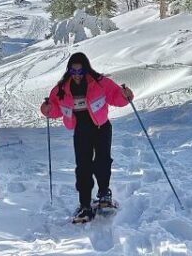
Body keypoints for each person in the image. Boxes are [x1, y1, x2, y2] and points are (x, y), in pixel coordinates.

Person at [40, 51, 134, 222]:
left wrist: (125, 96)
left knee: (102, 161)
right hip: (81, 130)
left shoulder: (99, 82)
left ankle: (104, 194)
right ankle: (85, 204)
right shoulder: (61, 89)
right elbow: (55, 108)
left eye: (80, 71)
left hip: (101, 128)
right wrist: (47, 109)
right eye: (73, 71)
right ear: (69, 70)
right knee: (83, 167)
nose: (77, 75)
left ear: (86, 69)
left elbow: (115, 97)